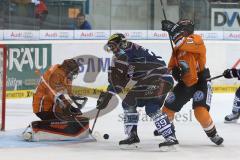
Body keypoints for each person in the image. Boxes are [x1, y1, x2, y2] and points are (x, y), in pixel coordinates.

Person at [96, 33, 178, 149]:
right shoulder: (131, 49)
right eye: (111, 47)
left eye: (113, 46)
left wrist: (108, 95)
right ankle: (137, 135)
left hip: (158, 80)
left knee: (142, 105)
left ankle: (168, 137)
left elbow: (118, 80)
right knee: (140, 104)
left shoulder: (126, 53)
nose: (113, 50)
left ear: (121, 43)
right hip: (158, 80)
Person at [161, 19, 224, 145]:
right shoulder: (177, 49)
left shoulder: (196, 39)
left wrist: (173, 30)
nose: (181, 31)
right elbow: (171, 65)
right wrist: (174, 71)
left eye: (181, 29)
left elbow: (182, 43)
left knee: (200, 112)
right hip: (186, 82)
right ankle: (169, 133)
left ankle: (213, 134)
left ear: (189, 29)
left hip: (201, 80)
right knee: (166, 111)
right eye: (179, 29)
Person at [23, 59, 89, 141]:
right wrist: (66, 106)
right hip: (43, 107)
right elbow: (54, 93)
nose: (72, 76)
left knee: (73, 116)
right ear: (66, 70)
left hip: (54, 106)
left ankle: (75, 129)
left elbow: (67, 94)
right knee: (65, 119)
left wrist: (72, 107)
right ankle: (40, 130)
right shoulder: (54, 74)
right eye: (72, 74)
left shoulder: (67, 77)